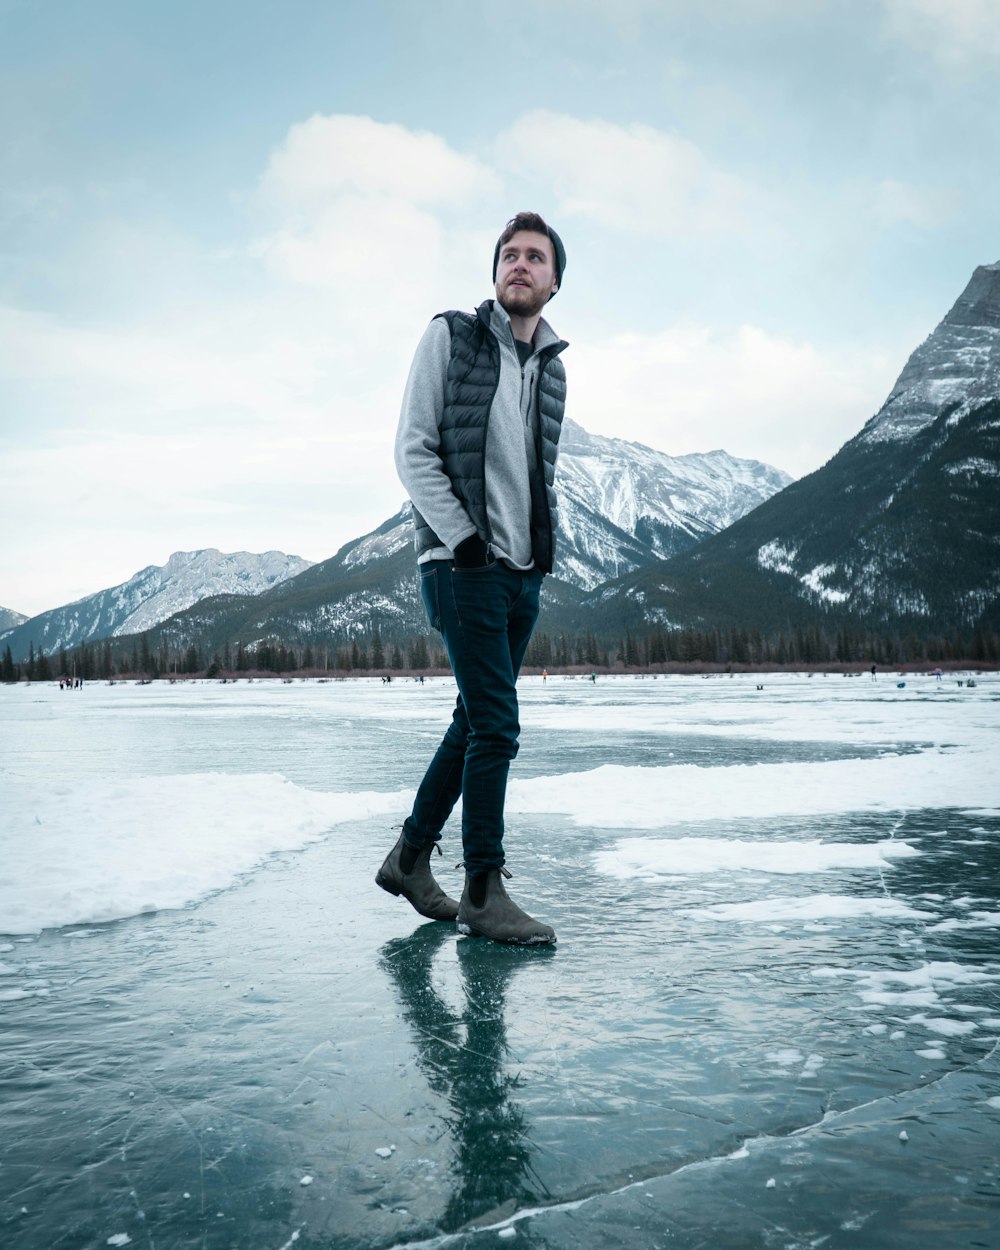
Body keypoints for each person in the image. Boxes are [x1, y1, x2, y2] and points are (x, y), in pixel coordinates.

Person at [376, 211, 568, 945]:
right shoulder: (450, 337)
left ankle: (409, 858)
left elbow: (534, 478)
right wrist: (462, 545)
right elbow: (413, 449)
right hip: (464, 568)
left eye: (536, 258)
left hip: (522, 577)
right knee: (497, 724)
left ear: (554, 282)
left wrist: (535, 561)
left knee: (473, 720)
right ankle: (483, 890)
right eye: (509, 255)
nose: (520, 265)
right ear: (496, 273)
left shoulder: (552, 372)